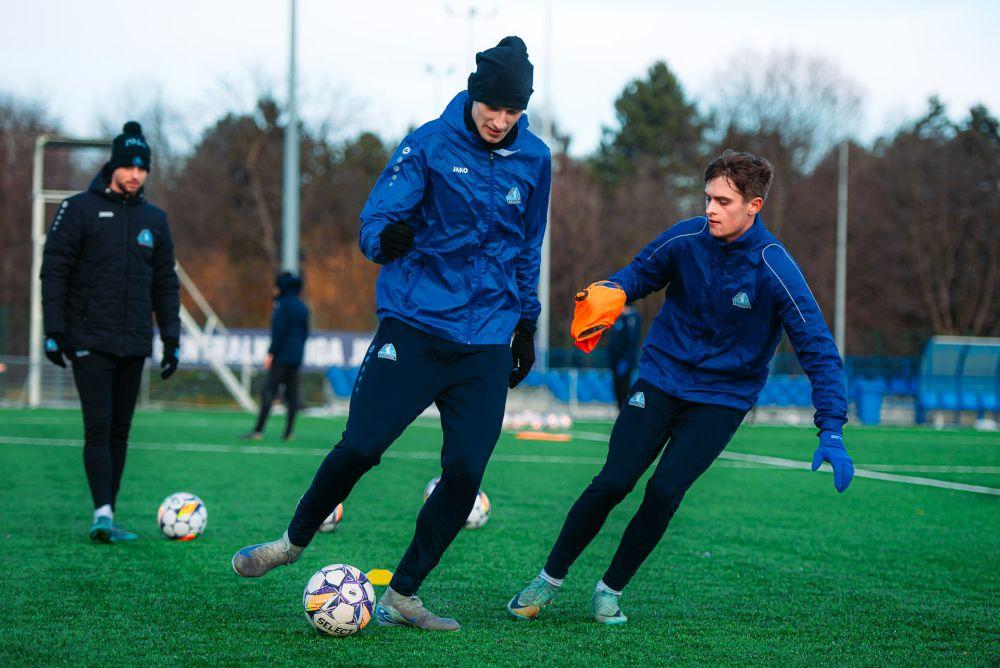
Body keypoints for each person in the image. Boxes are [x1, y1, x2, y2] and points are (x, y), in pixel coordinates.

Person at [232, 36, 552, 631]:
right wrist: (388, 240)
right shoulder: (428, 143)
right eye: (493, 109)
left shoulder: (535, 158)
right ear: (475, 95)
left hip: (485, 336)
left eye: (512, 112)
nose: (501, 122)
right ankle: (293, 542)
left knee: (465, 472)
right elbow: (375, 221)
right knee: (361, 446)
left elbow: (528, 245)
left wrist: (527, 321)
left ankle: (405, 595)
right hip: (416, 323)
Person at [507, 150, 854, 625]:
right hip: (661, 376)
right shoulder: (686, 238)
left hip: (722, 400)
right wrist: (615, 291)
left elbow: (816, 346)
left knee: (664, 492)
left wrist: (831, 426)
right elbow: (638, 275)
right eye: (708, 197)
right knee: (613, 480)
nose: (710, 208)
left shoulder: (775, 268)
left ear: (754, 206)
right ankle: (547, 579)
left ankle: (610, 590)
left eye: (724, 201)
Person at [41, 121, 181, 543]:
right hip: (89, 339)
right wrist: (55, 331)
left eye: (143, 168)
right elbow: (54, 273)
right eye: (129, 166)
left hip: (133, 341)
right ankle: (101, 512)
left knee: (120, 431)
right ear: (113, 166)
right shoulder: (79, 209)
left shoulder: (154, 219)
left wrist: (171, 338)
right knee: (98, 427)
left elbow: (165, 283)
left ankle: (108, 511)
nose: (136, 174)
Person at [243, 272, 310, 442]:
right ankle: (288, 433)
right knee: (292, 395)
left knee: (268, 392)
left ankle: (258, 430)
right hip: (296, 356)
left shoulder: (282, 305)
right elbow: (305, 333)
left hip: (282, 356)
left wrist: (271, 353)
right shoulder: (303, 307)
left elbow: (279, 332)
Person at [607, 302, 641, 409]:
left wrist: (626, 360)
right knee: (617, 390)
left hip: (624, 363)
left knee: (624, 390)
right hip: (616, 362)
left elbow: (632, 342)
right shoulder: (619, 319)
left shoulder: (631, 319)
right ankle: (620, 415)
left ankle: (626, 416)